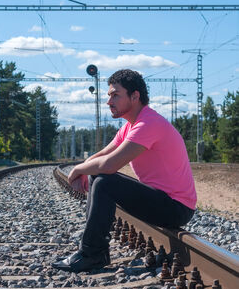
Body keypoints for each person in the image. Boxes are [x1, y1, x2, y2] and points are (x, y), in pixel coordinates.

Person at [52, 69, 196, 273]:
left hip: (176, 207)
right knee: (98, 175)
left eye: (115, 95)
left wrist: (77, 169)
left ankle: (92, 254)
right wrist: (85, 169)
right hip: (161, 200)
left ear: (135, 96)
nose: (109, 102)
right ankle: (94, 251)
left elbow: (109, 165)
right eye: (109, 95)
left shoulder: (149, 124)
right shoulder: (130, 126)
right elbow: (101, 157)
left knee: (105, 181)